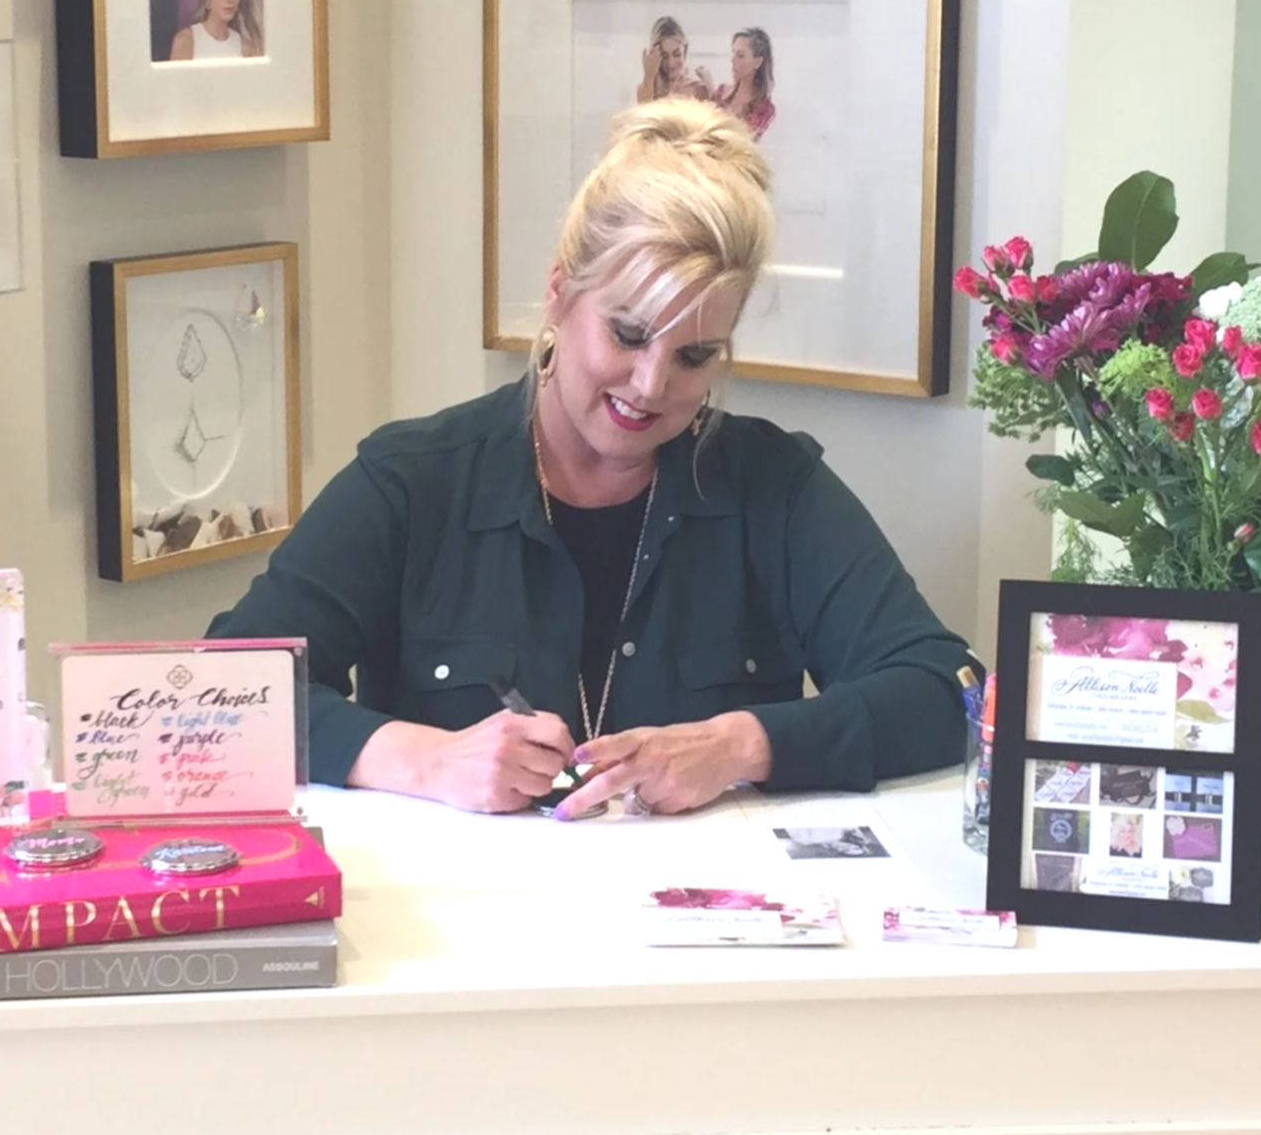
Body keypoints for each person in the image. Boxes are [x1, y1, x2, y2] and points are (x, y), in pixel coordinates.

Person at [207, 98, 973, 818]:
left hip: (706, 933)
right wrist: (423, 758)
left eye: (695, 354)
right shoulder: (414, 480)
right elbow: (220, 693)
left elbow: (947, 689)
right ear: (559, 295)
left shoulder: (774, 487)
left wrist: (742, 743)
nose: (651, 386)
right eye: (630, 334)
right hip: (463, 933)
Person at [712, 28, 776, 140]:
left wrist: (709, 86)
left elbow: (741, 139)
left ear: (757, 62)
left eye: (740, 56)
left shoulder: (764, 108)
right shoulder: (722, 91)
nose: (732, 60)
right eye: (734, 54)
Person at [635, 16, 711, 104]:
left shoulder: (698, 88)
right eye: (664, 57)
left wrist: (710, 87)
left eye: (677, 54)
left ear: (685, 52)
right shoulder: (648, 88)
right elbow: (643, 111)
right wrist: (649, 76)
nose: (671, 63)